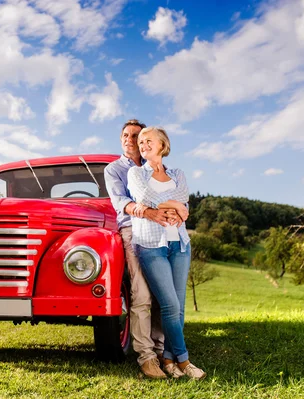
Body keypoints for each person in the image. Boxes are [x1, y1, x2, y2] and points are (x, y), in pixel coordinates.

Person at [127, 126, 206, 380]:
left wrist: (176, 204)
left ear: (162, 144)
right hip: (151, 245)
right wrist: (175, 205)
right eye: (140, 142)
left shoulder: (178, 173)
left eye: (148, 140)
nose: (142, 145)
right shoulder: (135, 173)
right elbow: (144, 196)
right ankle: (185, 361)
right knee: (170, 306)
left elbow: (184, 198)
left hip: (180, 244)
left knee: (179, 308)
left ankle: (169, 361)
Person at [104, 119, 177, 379]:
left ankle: (159, 350)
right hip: (132, 231)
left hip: (162, 231)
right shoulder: (114, 169)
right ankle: (145, 357)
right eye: (125, 135)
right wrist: (149, 212)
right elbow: (120, 202)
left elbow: (174, 197)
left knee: (163, 294)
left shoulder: (157, 169)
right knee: (141, 293)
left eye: (135, 135)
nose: (128, 139)